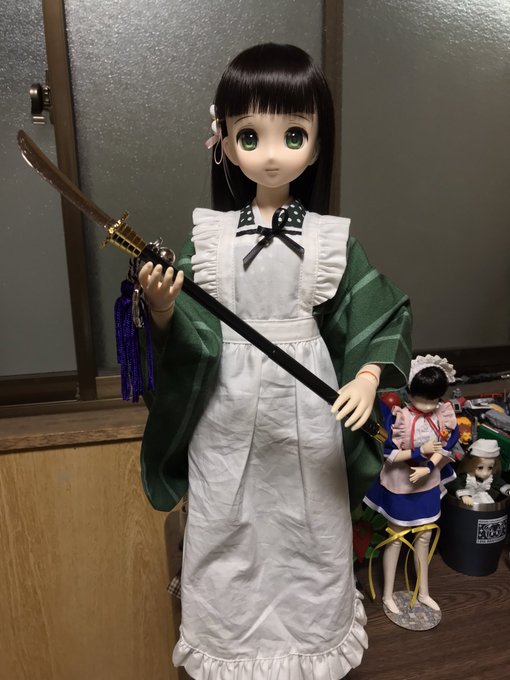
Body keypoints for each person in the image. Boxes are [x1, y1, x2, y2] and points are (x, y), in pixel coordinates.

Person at [136, 43, 412, 680]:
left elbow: (380, 308)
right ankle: (228, 643)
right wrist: (162, 309)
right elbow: (191, 333)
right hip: (227, 406)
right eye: (249, 134)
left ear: (316, 145)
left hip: (306, 406)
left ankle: (311, 640)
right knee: (225, 519)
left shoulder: (327, 240)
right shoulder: (210, 239)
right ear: (225, 143)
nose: (270, 153)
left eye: (293, 134)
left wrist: (367, 376)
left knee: (309, 525)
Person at [364, 354, 458, 616]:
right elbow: (388, 452)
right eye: (421, 399)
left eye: (433, 400)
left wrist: (428, 466)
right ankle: (387, 594)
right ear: (410, 393)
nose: (428, 406)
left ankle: (424, 591)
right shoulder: (400, 418)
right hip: (401, 483)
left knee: (425, 535)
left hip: (427, 482)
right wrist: (419, 451)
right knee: (395, 537)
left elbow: (448, 444)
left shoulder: (443, 414)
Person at [447, 438, 510, 505]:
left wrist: (508, 491)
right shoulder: (467, 477)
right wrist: (464, 495)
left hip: (487, 503)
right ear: (470, 465)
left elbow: (501, 484)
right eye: (480, 468)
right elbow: (456, 484)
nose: (485, 473)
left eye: (490, 468)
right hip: (468, 504)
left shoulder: (491, 479)